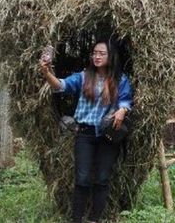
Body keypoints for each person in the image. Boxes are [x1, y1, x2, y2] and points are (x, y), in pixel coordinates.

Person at [40, 40, 133, 223]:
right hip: (85, 134)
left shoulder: (120, 79)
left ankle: (94, 219)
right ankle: (76, 219)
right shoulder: (83, 77)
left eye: (101, 53)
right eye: (94, 53)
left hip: (108, 136)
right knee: (82, 179)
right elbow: (61, 86)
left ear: (110, 56)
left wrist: (122, 110)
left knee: (102, 179)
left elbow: (126, 100)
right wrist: (46, 73)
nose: (97, 56)